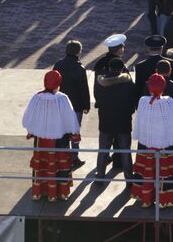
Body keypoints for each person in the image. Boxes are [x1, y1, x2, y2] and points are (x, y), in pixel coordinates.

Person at [22, 70, 81, 201]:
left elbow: (27, 119)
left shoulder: (36, 97)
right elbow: (70, 119)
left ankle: (39, 192)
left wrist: (34, 129)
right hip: (59, 140)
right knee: (60, 166)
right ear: (59, 83)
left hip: (41, 140)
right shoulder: (62, 98)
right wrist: (74, 132)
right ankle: (60, 193)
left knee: (41, 166)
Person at [131, 74, 173, 208]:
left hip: (147, 146)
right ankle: (163, 201)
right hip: (165, 147)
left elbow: (139, 122)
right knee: (164, 174)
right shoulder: (170, 102)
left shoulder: (143, 101)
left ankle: (146, 199)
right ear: (164, 86)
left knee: (148, 173)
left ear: (149, 86)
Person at [93, 59, 139, 179]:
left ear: (109, 67)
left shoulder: (100, 82)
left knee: (103, 150)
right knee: (125, 151)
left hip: (105, 120)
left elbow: (97, 97)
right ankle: (128, 177)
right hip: (123, 121)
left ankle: (100, 175)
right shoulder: (128, 83)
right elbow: (133, 101)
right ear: (122, 68)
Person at [52, 40, 92, 169]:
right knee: (75, 132)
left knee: (62, 131)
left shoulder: (58, 65)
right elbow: (83, 89)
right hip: (76, 106)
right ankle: (74, 157)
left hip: (60, 105)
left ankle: (63, 157)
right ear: (79, 52)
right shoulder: (80, 68)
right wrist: (87, 105)